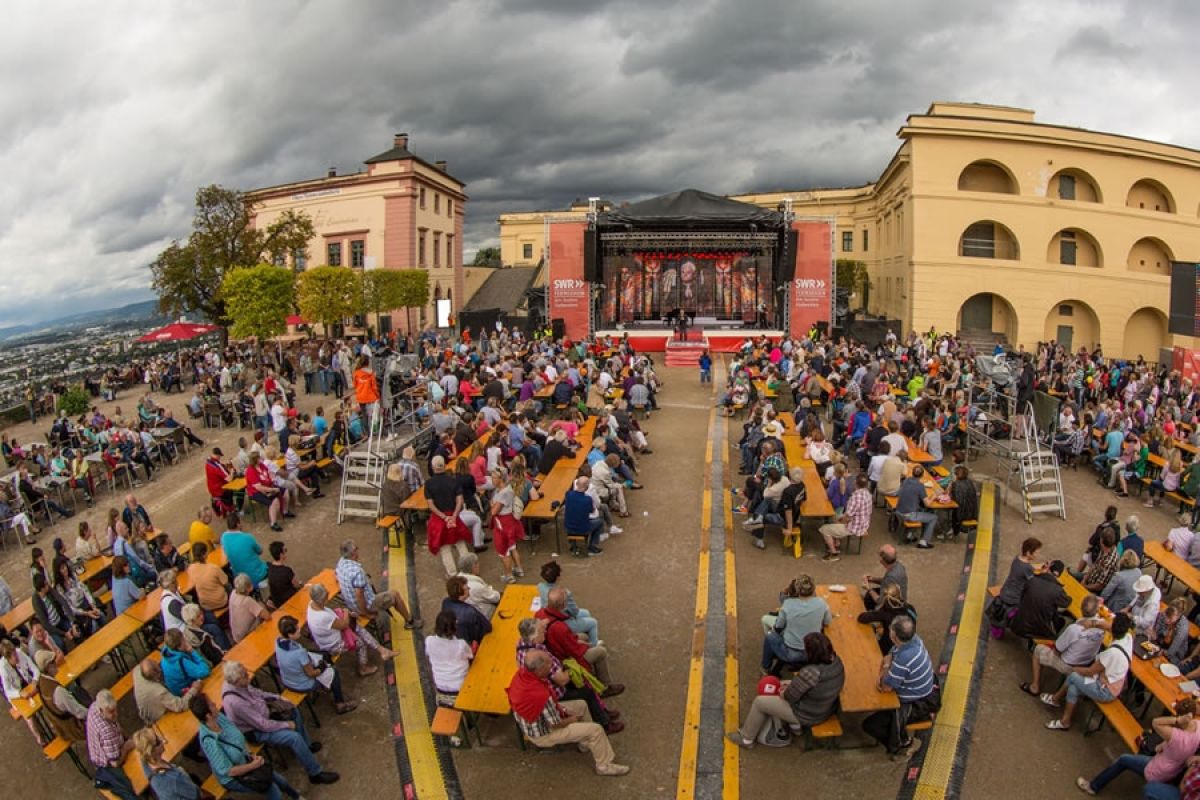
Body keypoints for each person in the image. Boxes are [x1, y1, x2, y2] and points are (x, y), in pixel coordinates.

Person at [506, 649, 630, 776]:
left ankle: (584, 743)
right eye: (549, 664)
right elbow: (555, 724)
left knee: (581, 704)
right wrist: (572, 719)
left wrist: (566, 713)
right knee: (596, 730)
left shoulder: (522, 675)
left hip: (533, 721)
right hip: (543, 734)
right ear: (539, 671)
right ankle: (604, 766)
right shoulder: (540, 695)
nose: (552, 665)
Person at [221, 660, 340, 786]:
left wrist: (277, 697)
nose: (248, 677)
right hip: (256, 731)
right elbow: (262, 724)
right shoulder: (236, 702)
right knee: (294, 738)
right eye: (244, 676)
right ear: (235, 682)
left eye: (246, 673)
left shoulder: (240, 683)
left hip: (265, 713)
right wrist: (286, 725)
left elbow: (258, 693)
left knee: (293, 710)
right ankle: (315, 774)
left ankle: (307, 746)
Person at [727, 631, 845, 748]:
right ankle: (795, 728)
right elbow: (808, 685)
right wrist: (788, 686)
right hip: (825, 707)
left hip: (807, 714)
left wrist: (782, 690)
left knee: (760, 702)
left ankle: (746, 738)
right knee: (783, 683)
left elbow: (789, 697)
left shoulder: (811, 672)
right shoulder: (836, 660)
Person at [1075, 696, 1200, 795]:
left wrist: (1177, 721)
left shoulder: (1176, 735)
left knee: (1124, 759)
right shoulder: (1197, 726)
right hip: (1174, 768)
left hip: (1160, 770)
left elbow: (1155, 723)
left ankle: (1093, 787)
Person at [191, 692, 302, 800]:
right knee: (273, 790)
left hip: (246, 760)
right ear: (208, 715)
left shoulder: (219, 717)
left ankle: (296, 797)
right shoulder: (209, 741)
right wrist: (253, 765)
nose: (215, 704)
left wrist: (250, 755)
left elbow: (237, 739)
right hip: (234, 778)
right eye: (211, 704)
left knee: (280, 779)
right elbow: (229, 771)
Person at [862, 615, 940, 759]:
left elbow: (885, 687)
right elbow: (892, 652)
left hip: (916, 704)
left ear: (894, 635)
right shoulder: (915, 640)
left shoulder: (905, 658)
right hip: (926, 691)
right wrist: (890, 659)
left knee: (870, 725)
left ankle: (904, 744)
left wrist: (886, 666)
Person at [1043, 613, 1134, 731]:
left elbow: (1090, 671)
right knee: (1073, 688)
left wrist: (1074, 668)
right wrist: (1094, 623)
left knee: (1073, 676)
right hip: (1112, 680)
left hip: (1106, 691)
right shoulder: (1128, 637)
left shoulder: (1112, 653)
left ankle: (1055, 699)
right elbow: (1106, 625)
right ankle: (1065, 721)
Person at [537, 587, 623, 696]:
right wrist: (585, 646)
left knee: (583, 636)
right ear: (563, 605)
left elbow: (567, 641)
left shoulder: (540, 614)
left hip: (554, 649)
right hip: (563, 658)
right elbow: (575, 651)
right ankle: (605, 686)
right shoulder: (559, 627)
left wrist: (577, 640)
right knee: (601, 651)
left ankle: (593, 671)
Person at [1021, 593, 1107, 697]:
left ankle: (1035, 686)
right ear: (1097, 611)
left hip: (1069, 665)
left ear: (1081, 609)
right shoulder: (1102, 626)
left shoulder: (1074, 629)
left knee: (1038, 649)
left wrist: (1053, 647)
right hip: (1087, 662)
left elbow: (1057, 650)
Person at [307, 582, 394, 677]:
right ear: (320, 600)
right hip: (334, 645)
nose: (327, 600)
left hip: (330, 636)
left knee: (357, 628)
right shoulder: (323, 616)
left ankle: (382, 650)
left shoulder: (312, 604)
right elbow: (344, 624)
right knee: (360, 643)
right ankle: (363, 668)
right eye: (325, 599)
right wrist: (346, 612)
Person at [275, 615, 357, 715]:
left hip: (287, 680)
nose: (299, 629)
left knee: (324, 655)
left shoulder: (278, 641)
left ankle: (329, 686)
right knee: (334, 671)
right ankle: (340, 704)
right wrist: (321, 668)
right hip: (301, 684)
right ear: (290, 634)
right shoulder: (299, 653)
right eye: (297, 629)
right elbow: (312, 674)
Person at [336, 538, 420, 628]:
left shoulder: (340, 562)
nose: (358, 550)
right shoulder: (357, 571)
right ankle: (410, 622)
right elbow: (359, 595)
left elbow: (337, 575)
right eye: (357, 548)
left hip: (350, 604)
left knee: (367, 587)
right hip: (363, 606)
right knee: (395, 595)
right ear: (353, 553)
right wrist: (366, 613)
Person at [762, 574, 832, 674]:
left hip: (791, 653)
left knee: (770, 637)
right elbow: (827, 622)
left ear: (797, 590)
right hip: (812, 652)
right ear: (813, 589)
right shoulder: (821, 603)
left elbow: (778, 627)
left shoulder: (788, 604)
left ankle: (766, 667)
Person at [423, 455, 474, 576]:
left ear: (433, 467)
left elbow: (431, 505)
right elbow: (459, 500)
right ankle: (469, 570)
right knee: (460, 543)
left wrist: (444, 517)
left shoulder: (429, 484)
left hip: (439, 519)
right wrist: (454, 515)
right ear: (444, 465)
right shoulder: (453, 481)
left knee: (445, 548)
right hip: (453, 515)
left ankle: (453, 574)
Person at [86, 689, 139, 799]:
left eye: (115, 709)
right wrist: (127, 747)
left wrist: (125, 737)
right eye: (111, 711)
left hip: (97, 752)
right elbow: (115, 763)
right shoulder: (106, 731)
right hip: (106, 764)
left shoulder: (94, 706)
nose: (115, 714)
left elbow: (116, 725)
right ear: (101, 710)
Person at [537, 560, 599, 645]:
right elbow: (574, 612)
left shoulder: (540, 586)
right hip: (562, 621)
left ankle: (581, 634)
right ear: (558, 577)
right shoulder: (564, 593)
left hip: (550, 617)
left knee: (586, 613)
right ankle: (593, 645)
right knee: (593, 622)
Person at [131, 727, 201, 800]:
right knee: (196, 780)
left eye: (157, 736)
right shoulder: (173, 778)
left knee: (194, 778)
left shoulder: (145, 761)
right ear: (151, 751)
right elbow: (196, 794)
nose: (162, 740)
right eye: (158, 742)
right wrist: (182, 772)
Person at [1008, 560, 1070, 641]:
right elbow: (1066, 602)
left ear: (1048, 568)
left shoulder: (1032, 580)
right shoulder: (1057, 590)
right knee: (1058, 613)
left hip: (1019, 625)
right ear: (1059, 575)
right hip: (1038, 631)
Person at [33, 649, 86, 743]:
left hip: (59, 728)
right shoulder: (58, 691)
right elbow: (79, 712)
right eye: (53, 661)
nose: (56, 663)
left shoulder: (40, 683)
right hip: (72, 729)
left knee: (79, 693)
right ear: (48, 667)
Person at [817, 473, 872, 562]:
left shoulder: (855, 497)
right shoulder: (868, 494)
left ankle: (833, 553)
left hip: (854, 528)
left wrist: (840, 520)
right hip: (863, 524)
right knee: (835, 517)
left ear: (855, 483)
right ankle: (836, 542)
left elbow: (847, 516)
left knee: (824, 529)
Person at [133, 654, 199, 725]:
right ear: (156, 676)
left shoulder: (137, 670)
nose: (160, 670)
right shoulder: (159, 692)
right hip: (158, 719)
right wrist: (194, 689)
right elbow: (180, 705)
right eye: (158, 671)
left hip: (146, 711)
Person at [425, 610, 474, 699]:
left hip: (440, 686)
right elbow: (470, 655)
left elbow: (428, 653)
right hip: (460, 686)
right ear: (455, 626)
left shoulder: (429, 641)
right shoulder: (461, 644)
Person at [856, 583, 916, 655]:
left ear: (885, 597)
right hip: (908, 639)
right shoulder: (910, 608)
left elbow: (862, 618)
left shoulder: (886, 612)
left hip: (890, 646)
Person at [221, 512, 269, 590]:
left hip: (239, 577)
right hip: (256, 576)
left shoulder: (223, 537)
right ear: (238, 524)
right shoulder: (247, 537)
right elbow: (260, 551)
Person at [442, 575, 492, 648]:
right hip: (469, 644)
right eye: (466, 588)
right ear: (461, 594)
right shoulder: (469, 612)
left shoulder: (445, 602)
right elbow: (487, 627)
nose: (469, 588)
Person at [896, 465, 938, 548]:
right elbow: (927, 504)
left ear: (912, 473)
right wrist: (934, 496)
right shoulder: (920, 486)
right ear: (922, 475)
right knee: (933, 517)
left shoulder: (906, 480)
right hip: (908, 515)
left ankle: (910, 535)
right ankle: (924, 541)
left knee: (920, 510)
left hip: (898, 511)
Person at [563, 475, 605, 557]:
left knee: (575, 520)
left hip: (568, 527)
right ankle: (592, 547)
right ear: (587, 487)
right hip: (582, 528)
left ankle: (573, 545)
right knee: (600, 522)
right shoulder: (587, 499)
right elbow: (592, 511)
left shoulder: (568, 494)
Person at [455, 552, 501, 619]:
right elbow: (495, 598)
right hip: (482, 614)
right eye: (478, 563)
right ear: (474, 566)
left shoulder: (457, 579)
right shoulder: (476, 586)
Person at [863, 545, 908, 611]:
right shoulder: (898, 565)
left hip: (893, 607)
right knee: (870, 594)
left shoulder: (891, 577)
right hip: (898, 599)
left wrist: (868, 588)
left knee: (868, 598)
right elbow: (885, 581)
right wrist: (872, 579)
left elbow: (880, 601)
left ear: (881, 560)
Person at [229, 573, 271, 643]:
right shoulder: (247, 601)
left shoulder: (233, 593)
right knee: (261, 606)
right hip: (246, 636)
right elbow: (267, 616)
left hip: (236, 635)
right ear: (249, 587)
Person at [267, 541, 301, 608]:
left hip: (277, 601)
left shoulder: (270, 568)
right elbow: (296, 585)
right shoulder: (287, 570)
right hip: (288, 600)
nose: (286, 552)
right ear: (281, 555)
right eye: (285, 550)